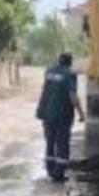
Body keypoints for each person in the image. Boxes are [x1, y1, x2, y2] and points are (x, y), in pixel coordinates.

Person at [36, 52, 85, 182]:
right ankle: (59, 174)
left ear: (59, 61)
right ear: (70, 62)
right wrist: (81, 113)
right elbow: (72, 95)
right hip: (62, 114)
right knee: (62, 144)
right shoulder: (69, 74)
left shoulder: (49, 71)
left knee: (50, 142)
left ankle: (50, 170)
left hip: (46, 113)